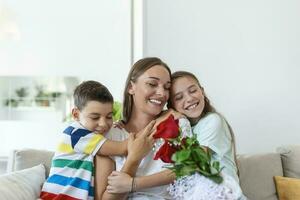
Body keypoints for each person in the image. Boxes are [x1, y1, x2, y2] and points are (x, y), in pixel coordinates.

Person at [104, 71, 247, 199]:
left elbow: (189, 166)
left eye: (193, 90)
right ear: (171, 106)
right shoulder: (184, 128)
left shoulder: (212, 121)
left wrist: (133, 184)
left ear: (202, 91)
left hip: (222, 193)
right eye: (179, 97)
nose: (189, 98)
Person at [40, 80, 155, 200]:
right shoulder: (76, 134)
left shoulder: (94, 138)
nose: (103, 124)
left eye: (109, 116)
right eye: (95, 117)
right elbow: (123, 147)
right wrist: (159, 121)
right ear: (75, 114)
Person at [94, 57, 175, 200]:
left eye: (167, 87)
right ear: (131, 87)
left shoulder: (178, 124)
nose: (162, 93)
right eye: (152, 84)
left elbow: (189, 172)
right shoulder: (110, 136)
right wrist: (134, 158)